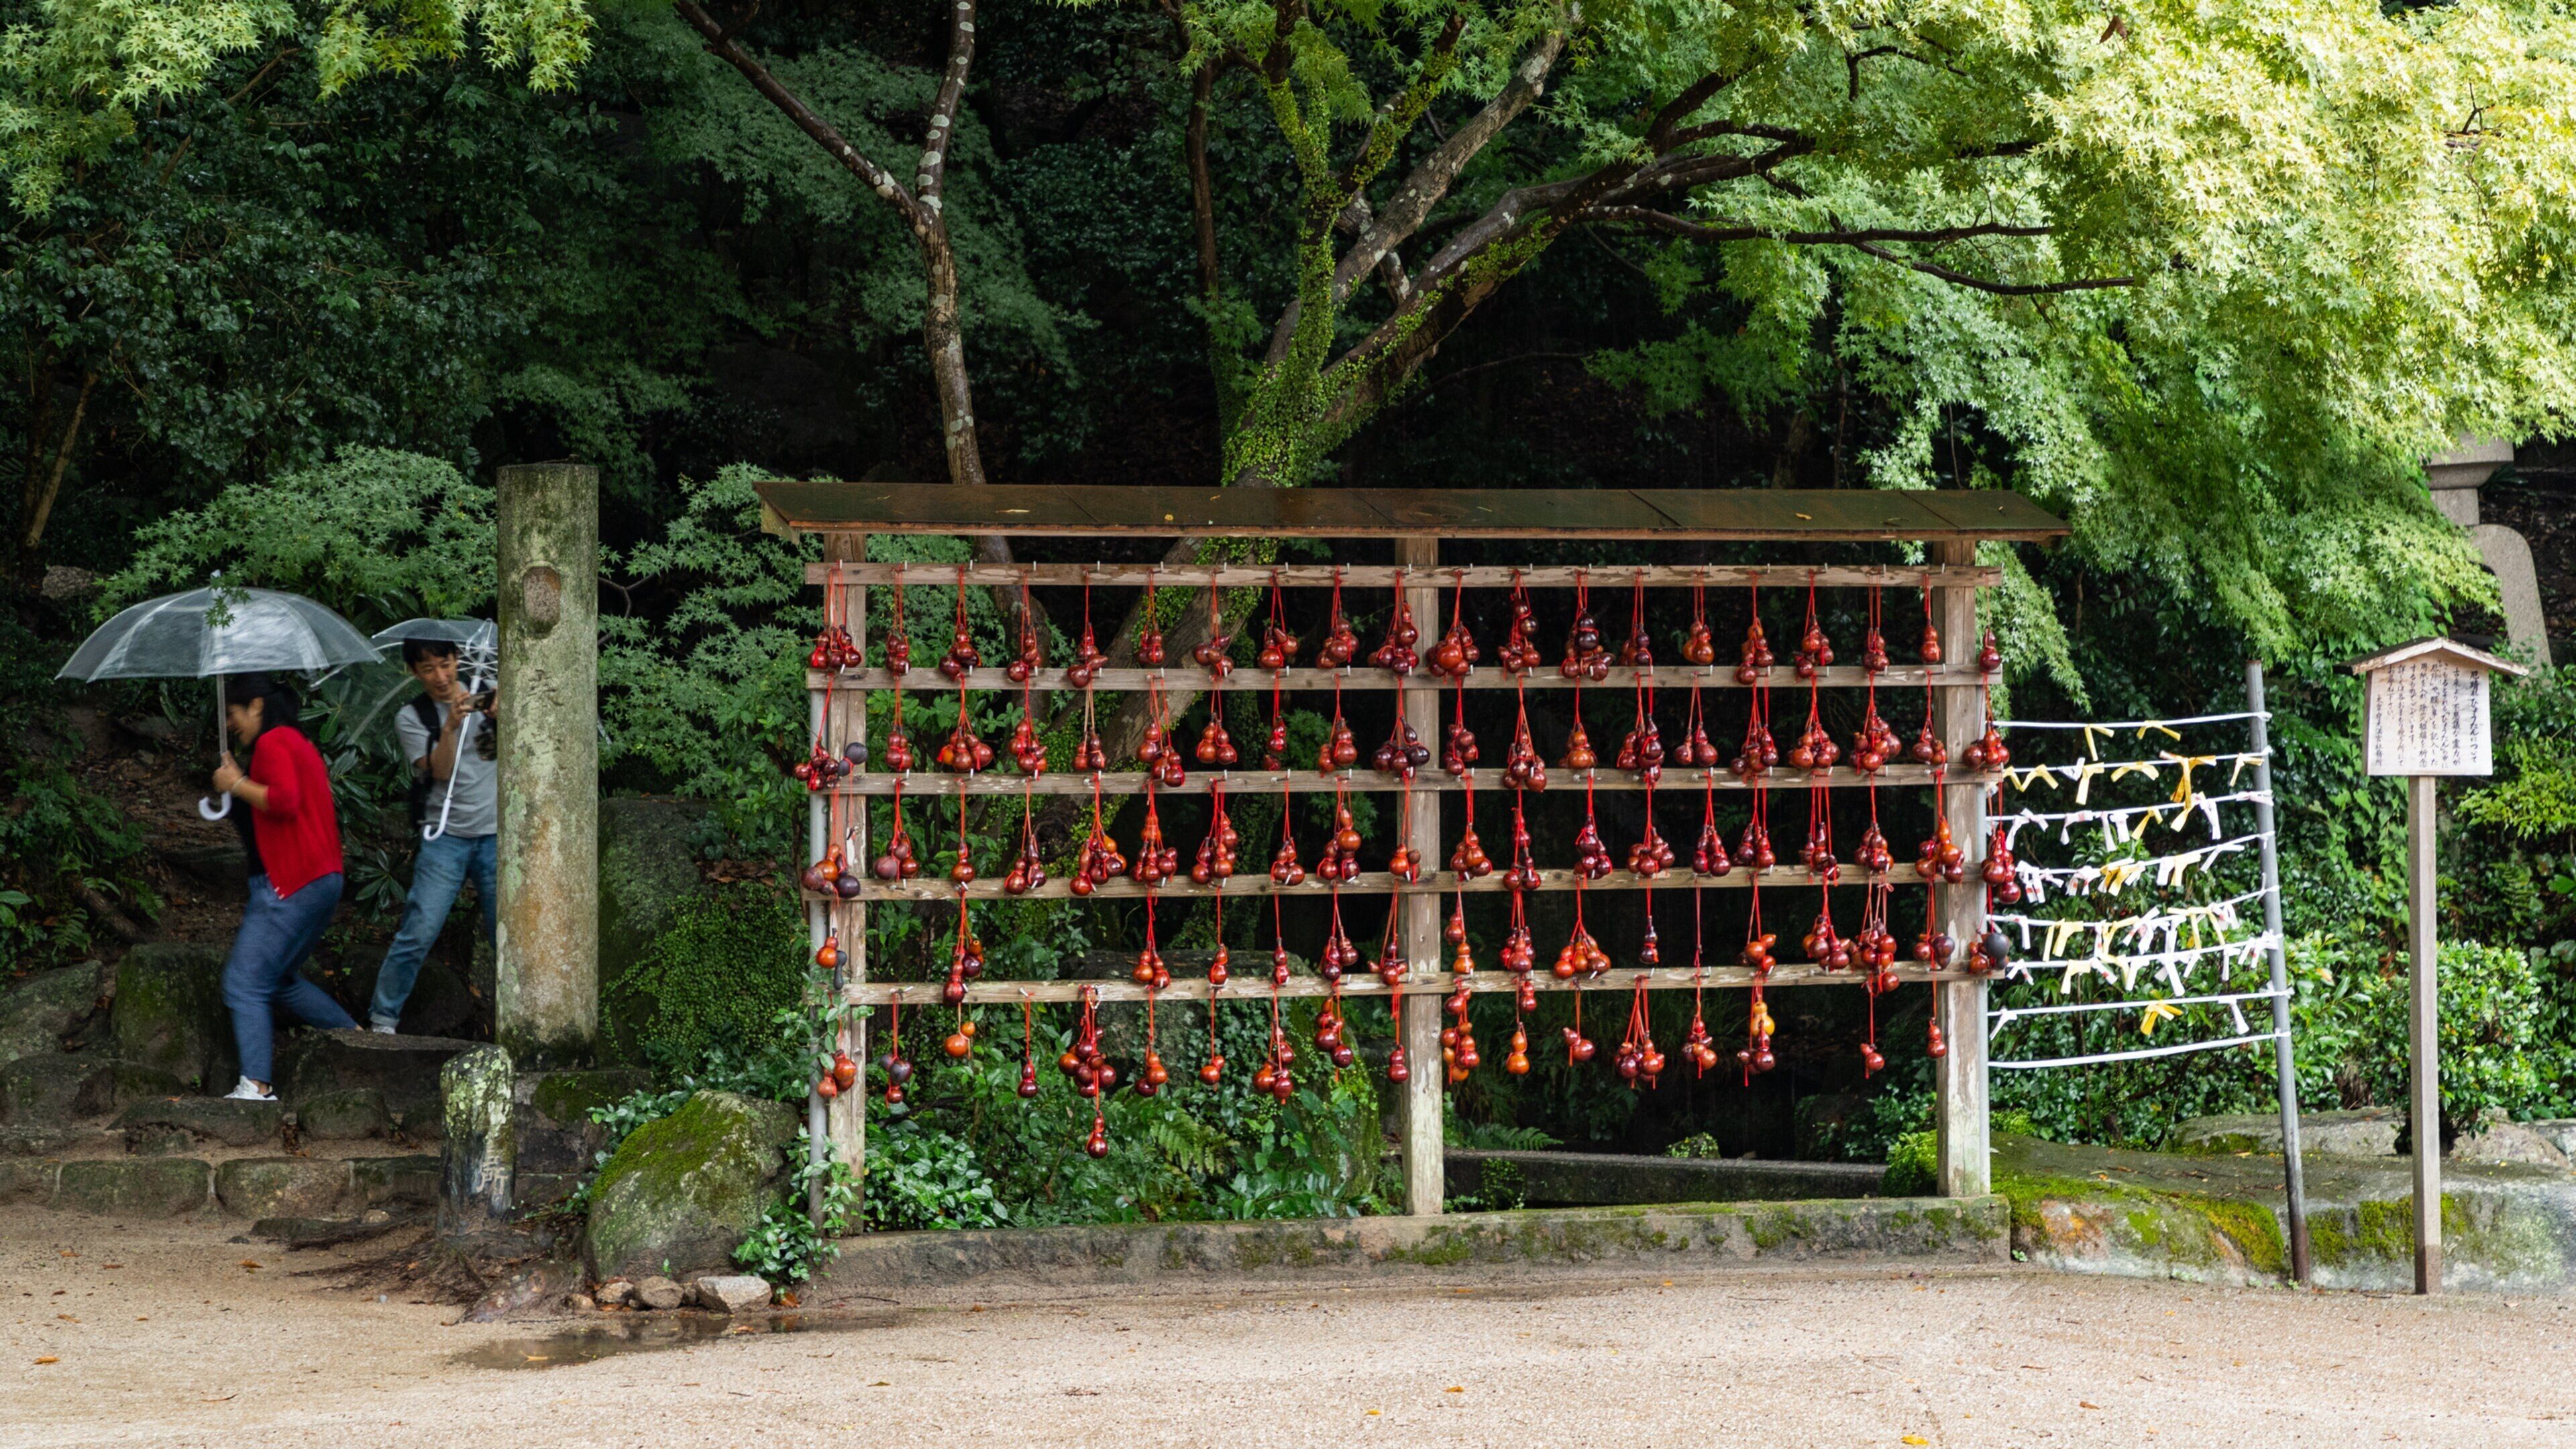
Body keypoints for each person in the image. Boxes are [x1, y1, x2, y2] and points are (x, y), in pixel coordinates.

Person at [211, 673, 356, 1101]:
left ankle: (256, 1086)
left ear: (256, 705)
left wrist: (236, 784)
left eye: (233, 714)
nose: (232, 724)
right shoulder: (298, 741)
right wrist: (235, 784)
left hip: (289, 882)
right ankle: (362, 1040)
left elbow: (286, 800)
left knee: (244, 982)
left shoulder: (273, 742)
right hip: (323, 879)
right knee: (279, 980)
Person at [368, 636, 497, 1034]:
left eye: (445, 664)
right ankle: (383, 1020)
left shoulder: (491, 698)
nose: (440, 677)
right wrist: (452, 726)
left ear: (458, 659)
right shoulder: (413, 716)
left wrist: (504, 714)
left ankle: (520, 1017)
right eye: (428, 669)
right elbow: (438, 771)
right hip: (445, 835)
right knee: (419, 929)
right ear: (414, 672)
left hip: (497, 835)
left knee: (507, 933)